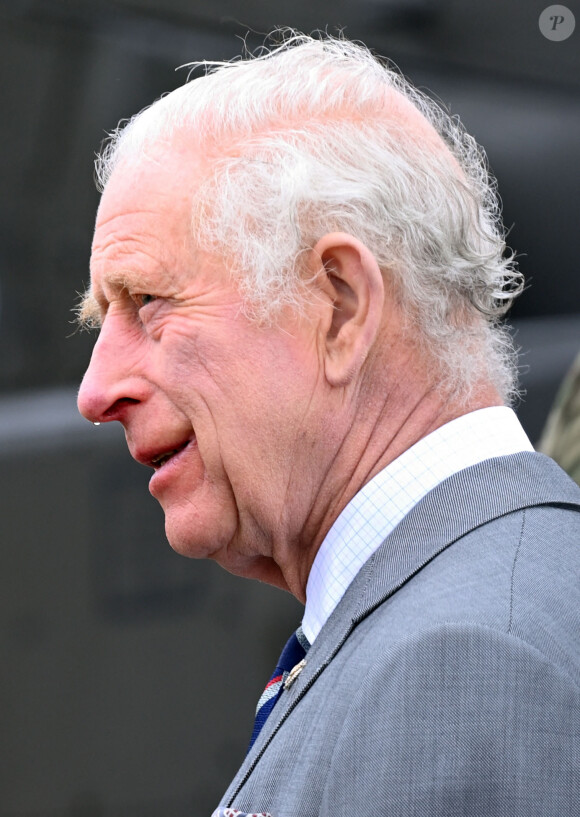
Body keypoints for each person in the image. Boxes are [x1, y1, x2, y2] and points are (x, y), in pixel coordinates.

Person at [76, 33, 580, 817]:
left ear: (341, 305)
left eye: (149, 302)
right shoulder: (459, 617)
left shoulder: (460, 665)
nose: (96, 390)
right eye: (102, 320)